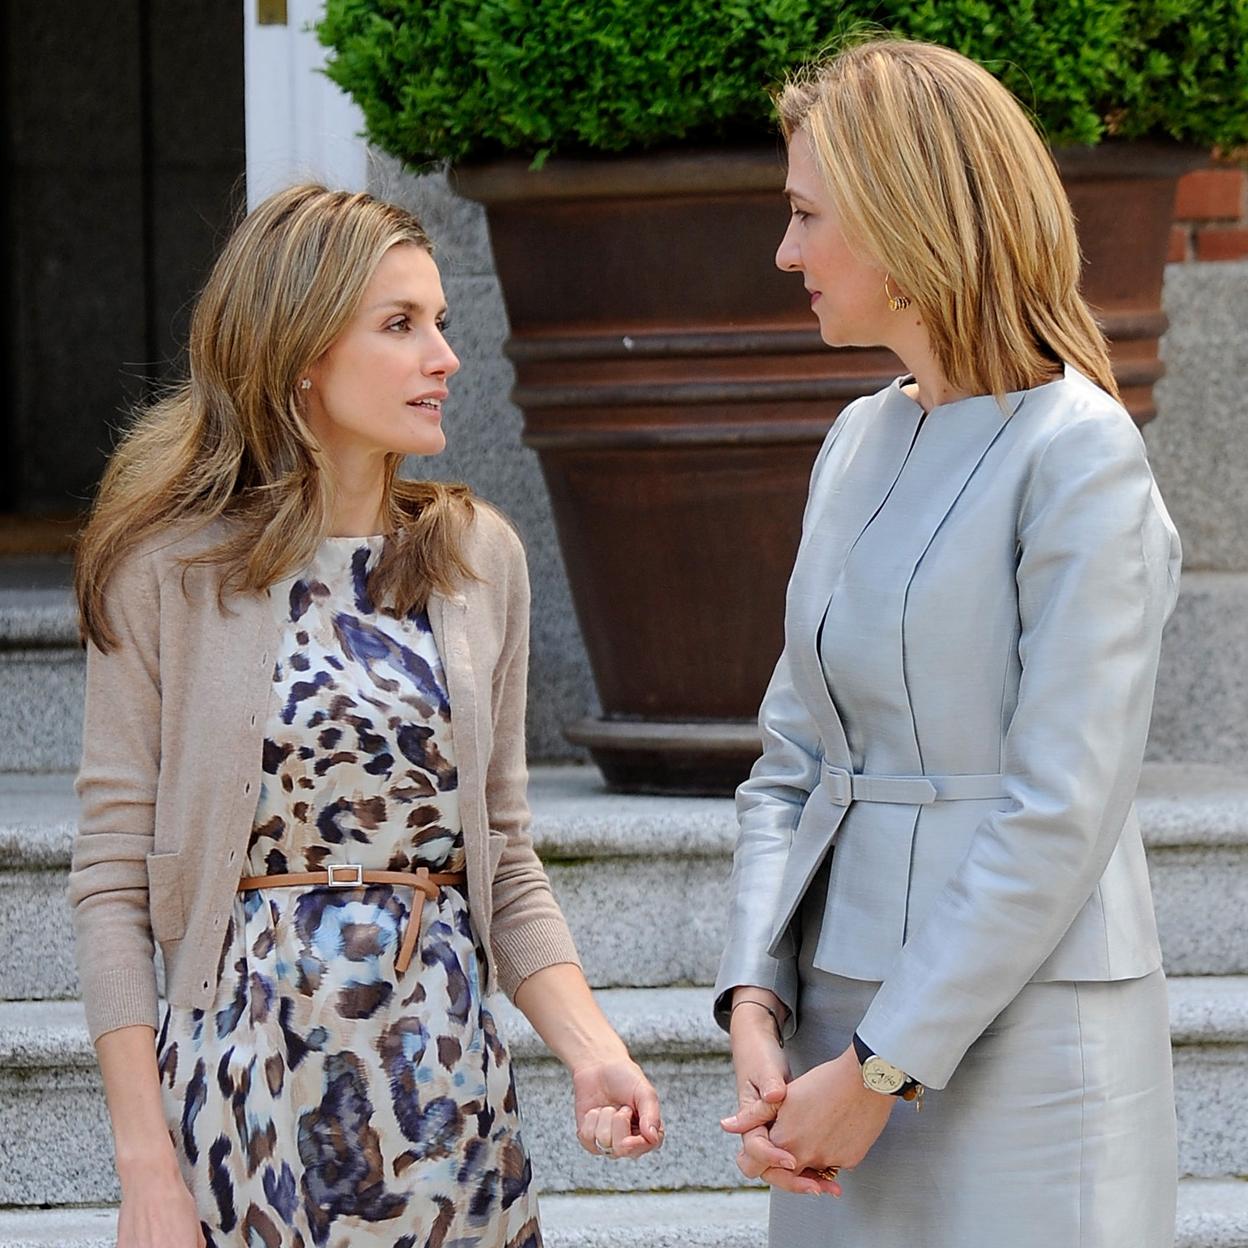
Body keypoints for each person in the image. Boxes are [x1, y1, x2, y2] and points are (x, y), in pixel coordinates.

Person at [68, 183, 663, 1248]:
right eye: (402, 326)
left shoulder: (481, 560)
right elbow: (112, 872)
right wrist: (145, 1165)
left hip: (442, 1081)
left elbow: (506, 862)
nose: (446, 356)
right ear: (299, 352)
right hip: (242, 1080)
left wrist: (591, 1047)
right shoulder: (164, 568)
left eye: (442, 321)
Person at [715, 37, 1181, 1248]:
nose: (787, 251)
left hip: (1030, 1031)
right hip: (832, 1023)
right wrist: (756, 996)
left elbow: (1063, 803)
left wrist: (883, 1071)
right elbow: (789, 757)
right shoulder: (855, 441)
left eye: (808, 215)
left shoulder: (1077, 450)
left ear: (908, 224)